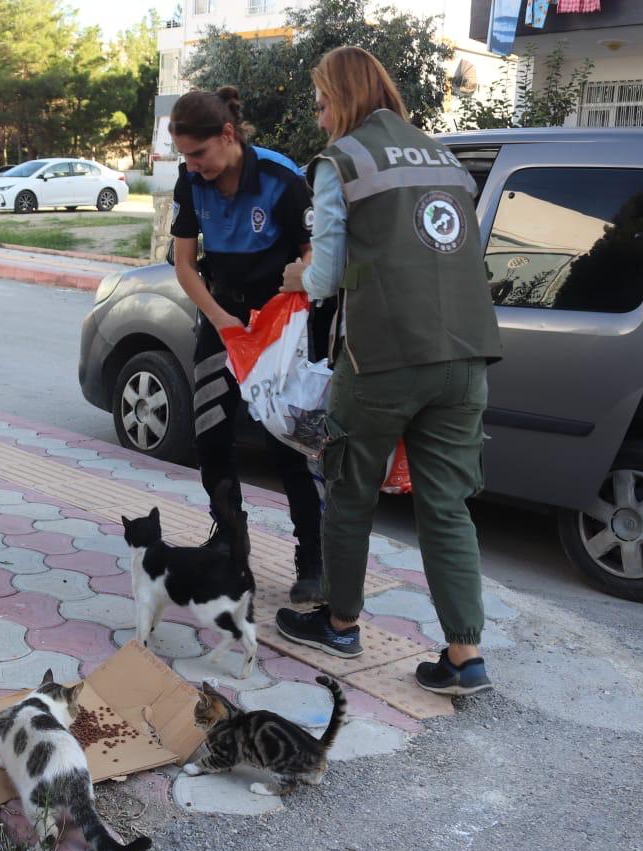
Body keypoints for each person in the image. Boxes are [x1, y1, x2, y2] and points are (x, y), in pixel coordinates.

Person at [274, 47, 503, 696]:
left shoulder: (342, 160)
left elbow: (323, 278)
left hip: (383, 357)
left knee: (349, 492)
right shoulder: (444, 158)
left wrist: (295, 276)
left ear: (344, 96)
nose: (319, 115)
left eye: (321, 100)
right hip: (465, 355)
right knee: (448, 507)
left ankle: (340, 622)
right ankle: (464, 655)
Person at [169, 86, 324, 603]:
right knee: (210, 436)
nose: (191, 167)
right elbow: (186, 265)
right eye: (184, 156)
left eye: (198, 154)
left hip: (280, 328)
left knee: (287, 446)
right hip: (223, 318)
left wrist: (275, 312)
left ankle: (313, 558)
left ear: (228, 135)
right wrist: (222, 320)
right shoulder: (191, 184)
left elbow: (316, 263)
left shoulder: (281, 179)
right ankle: (230, 540)